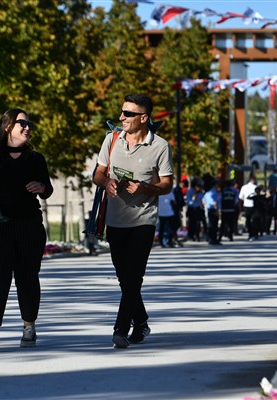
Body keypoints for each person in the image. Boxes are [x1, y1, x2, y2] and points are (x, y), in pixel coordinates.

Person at [93, 94, 174, 349]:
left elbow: (167, 184)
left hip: (143, 221)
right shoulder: (112, 139)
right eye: (121, 112)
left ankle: (120, 329)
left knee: (133, 276)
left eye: (127, 114)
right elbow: (97, 173)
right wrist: (107, 182)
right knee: (124, 278)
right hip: (115, 220)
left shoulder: (160, 146)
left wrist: (145, 188)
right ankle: (141, 321)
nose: (121, 118)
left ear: (143, 118)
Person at [0, 108, 53, 352]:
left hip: (29, 226)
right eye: (22, 123)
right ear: (8, 126)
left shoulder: (35, 159)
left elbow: (47, 188)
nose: (27, 127)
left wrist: (41, 186)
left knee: (28, 277)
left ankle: (29, 326)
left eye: (29, 124)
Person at [202, 178, 221, 245]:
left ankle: (213, 238)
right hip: (213, 210)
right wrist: (216, 210)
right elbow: (214, 202)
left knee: (213, 225)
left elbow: (204, 200)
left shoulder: (210, 192)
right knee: (213, 225)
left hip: (211, 209)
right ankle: (212, 239)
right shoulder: (212, 192)